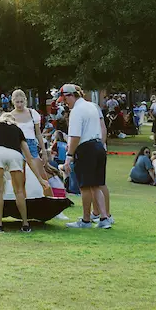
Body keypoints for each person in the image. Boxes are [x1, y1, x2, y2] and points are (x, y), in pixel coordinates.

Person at [0, 113, 47, 233]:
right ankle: (25, 224)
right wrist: (40, 179)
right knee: (19, 191)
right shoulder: (18, 130)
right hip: (15, 154)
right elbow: (29, 158)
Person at [61, 84, 112, 229]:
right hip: (98, 147)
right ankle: (104, 217)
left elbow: (76, 136)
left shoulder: (77, 111)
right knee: (96, 185)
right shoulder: (91, 106)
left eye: (65, 99)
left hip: (86, 149)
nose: (65, 103)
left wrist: (69, 155)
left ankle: (86, 220)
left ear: (71, 95)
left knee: (85, 186)